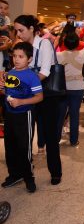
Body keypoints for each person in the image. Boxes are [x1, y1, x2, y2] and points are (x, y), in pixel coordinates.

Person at [13, 15, 63, 185]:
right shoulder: (22, 46)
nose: (18, 34)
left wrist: (26, 86)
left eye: (21, 30)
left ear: (32, 28)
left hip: (47, 95)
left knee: (50, 135)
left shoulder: (44, 43)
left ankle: (55, 171)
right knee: (26, 135)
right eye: (16, 30)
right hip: (28, 95)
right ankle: (25, 171)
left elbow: (45, 71)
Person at [1, 42, 43, 193]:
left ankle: (28, 177)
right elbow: (8, 92)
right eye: (14, 56)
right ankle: (15, 175)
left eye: (21, 57)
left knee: (24, 148)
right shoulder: (11, 72)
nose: (16, 59)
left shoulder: (32, 76)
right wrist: (2, 88)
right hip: (10, 115)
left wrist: (21, 102)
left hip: (25, 115)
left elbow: (39, 97)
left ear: (29, 59)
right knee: (10, 146)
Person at [56, 21, 84, 147]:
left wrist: (59, 36)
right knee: (74, 114)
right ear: (78, 44)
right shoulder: (81, 54)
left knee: (60, 114)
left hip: (63, 88)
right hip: (77, 88)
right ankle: (73, 140)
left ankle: (55, 139)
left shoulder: (58, 55)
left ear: (64, 43)